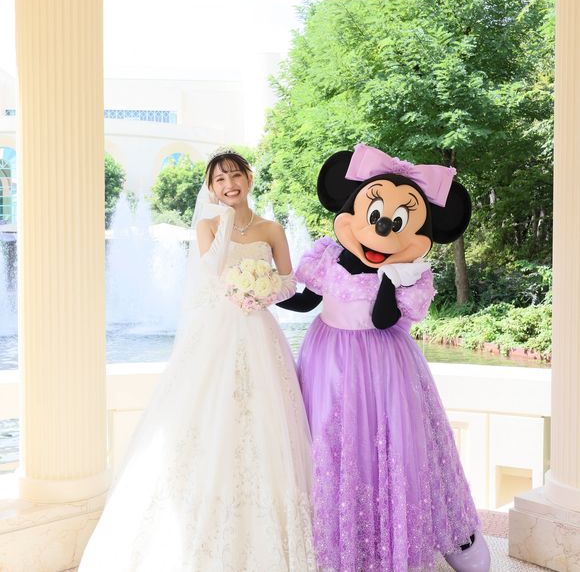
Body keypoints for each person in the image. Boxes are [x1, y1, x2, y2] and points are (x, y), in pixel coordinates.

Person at [79, 150, 316, 571]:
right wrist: (224, 225)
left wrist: (261, 289)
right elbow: (211, 271)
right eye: (219, 180)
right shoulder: (207, 226)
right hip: (217, 333)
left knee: (267, 417)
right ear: (210, 188)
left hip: (260, 332)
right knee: (210, 416)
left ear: (249, 178)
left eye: (235, 175)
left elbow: (288, 283)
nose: (229, 184)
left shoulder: (272, 229)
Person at [278, 144, 490, 571]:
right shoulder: (328, 255)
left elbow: (382, 319)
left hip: (384, 364)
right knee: (332, 442)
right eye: (375, 216)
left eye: (397, 223)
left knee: (401, 443)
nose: (382, 230)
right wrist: (263, 293)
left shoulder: (409, 275)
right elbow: (305, 301)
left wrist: (391, 278)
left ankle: (447, 537)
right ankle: (342, 540)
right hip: (328, 360)